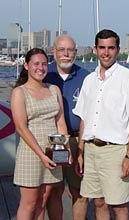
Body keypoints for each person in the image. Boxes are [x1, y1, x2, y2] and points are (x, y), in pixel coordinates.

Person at [73, 29, 129, 220]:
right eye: (102, 48)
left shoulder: (128, 78)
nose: (106, 53)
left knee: (119, 205)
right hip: (90, 150)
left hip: (115, 151)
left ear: (118, 50)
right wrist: (80, 151)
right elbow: (84, 119)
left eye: (111, 48)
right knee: (98, 201)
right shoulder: (89, 80)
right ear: (95, 50)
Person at [44, 35, 108, 220]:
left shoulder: (86, 77)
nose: (66, 54)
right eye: (61, 50)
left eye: (70, 50)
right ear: (53, 51)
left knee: (78, 191)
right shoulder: (43, 74)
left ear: (76, 52)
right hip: (49, 141)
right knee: (53, 191)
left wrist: (81, 147)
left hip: (76, 140)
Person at [11, 48, 72, 220]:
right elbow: (21, 127)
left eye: (44, 64)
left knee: (43, 200)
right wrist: (41, 155)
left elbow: (60, 121)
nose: (40, 68)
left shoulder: (54, 90)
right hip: (31, 153)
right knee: (29, 203)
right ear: (26, 66)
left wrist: (66, 149)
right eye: (36, 64)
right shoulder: (19, 92)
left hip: (52, 151)